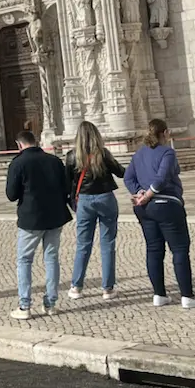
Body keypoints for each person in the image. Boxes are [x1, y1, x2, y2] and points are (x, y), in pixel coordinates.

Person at [124, 119, 195, 308]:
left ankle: (159, 294)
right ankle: (187, 295)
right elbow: (161, 178)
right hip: (166, 204)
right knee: (179, 249)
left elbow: (128, 177)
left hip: (144, 209)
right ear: (165, 133)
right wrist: (147, 194)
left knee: (154, 249)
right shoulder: (167, 152)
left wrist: (138, 192)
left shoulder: (138, 154)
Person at [4, 130, 72, 319]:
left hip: (31, 219)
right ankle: (50, 303)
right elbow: (66, 187)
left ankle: (25, 306)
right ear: (36, 142)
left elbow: (11, 195)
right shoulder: (54, 161)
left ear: (19, 144)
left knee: (25, 260)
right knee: (51, 259)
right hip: (55, 216)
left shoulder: (18, 163)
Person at [65, 121, 125, 300]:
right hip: (105, 198)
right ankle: (108, 288)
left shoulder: (71, 156)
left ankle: (76, 287)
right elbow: (121, 172)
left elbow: (67, 184)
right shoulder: (103, 154)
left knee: (83, 244)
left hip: (84, 200)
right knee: (108, 244)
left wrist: (72, 204)